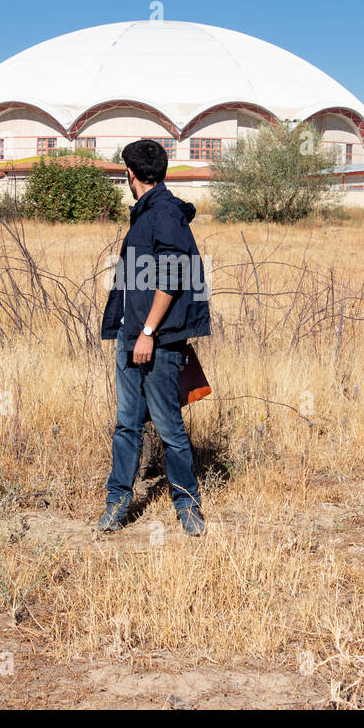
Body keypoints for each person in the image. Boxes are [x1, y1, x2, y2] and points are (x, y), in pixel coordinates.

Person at [98, 139, 210, 536]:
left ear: (130, 173)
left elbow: (174, 275)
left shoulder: (163, 213)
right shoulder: (146, 213)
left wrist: (148, 331)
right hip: (131, 338)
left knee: (168, 428)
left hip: (155, 342)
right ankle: (117, 502)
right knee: (127, 425)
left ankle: (187, 506)